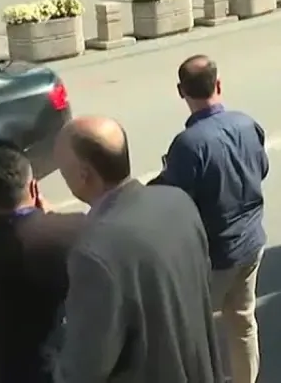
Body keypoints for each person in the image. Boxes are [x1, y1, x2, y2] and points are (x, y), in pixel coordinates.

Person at [52, 116, 223, 383]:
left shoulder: (93, 252)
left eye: (63, 171)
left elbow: (84, 368)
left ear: (84, 174)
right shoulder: (177, 201)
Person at [151, 55, 268, 383]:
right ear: (219, 84)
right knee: (243, 322)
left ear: (181, 91)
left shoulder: (189, 145)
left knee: (190, 335)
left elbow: (172, 200)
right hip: (251, 243)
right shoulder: (248, 124)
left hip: (213, 257)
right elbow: (262, 169)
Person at [0, 148, 85, 383]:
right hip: (70, 365)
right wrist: (51, 217)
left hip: (9, 372)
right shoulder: (76, 230)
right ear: (33, 188)